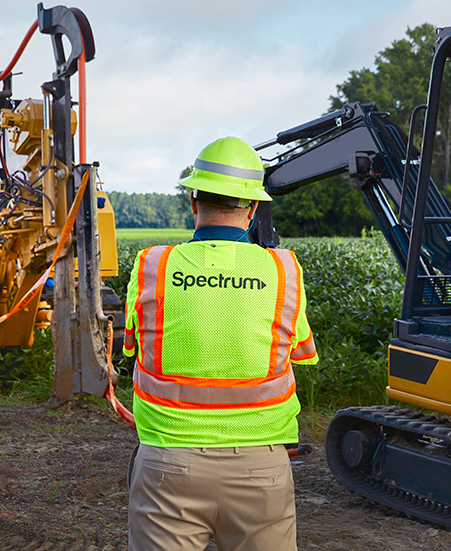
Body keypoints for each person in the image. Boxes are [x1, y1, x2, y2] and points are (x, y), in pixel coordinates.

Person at [123, 137, 319, 551]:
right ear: (251, 210)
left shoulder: (152, 266)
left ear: (193, 202)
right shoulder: (285, 270)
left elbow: (132, 349)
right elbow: (301, 352)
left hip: (167, 463)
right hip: (261, 467)